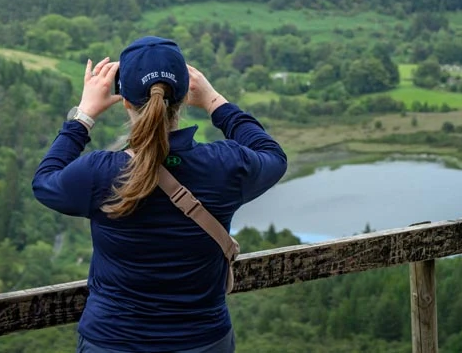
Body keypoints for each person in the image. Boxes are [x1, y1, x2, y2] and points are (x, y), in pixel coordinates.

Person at [33, 36, 288, 353]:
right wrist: (215, 102)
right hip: (203, 342)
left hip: (112, 342)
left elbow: (44, 182)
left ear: (125, 100)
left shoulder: (99, 174)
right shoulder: (224, 167)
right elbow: (273, 156)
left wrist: (84, 115)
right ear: (183, 97)